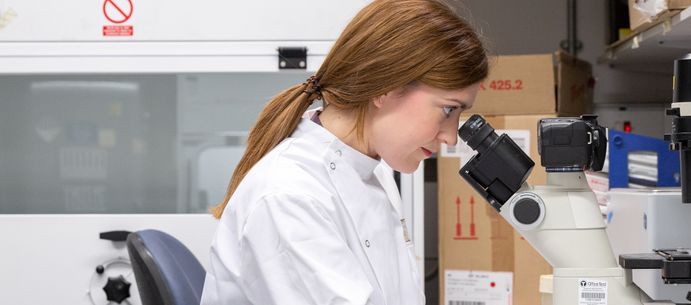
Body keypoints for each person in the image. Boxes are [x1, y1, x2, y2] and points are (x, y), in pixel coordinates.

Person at [200, 0, 488, 304]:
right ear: (385, 88)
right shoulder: (289, 197)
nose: (451, 137)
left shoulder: (374, 171)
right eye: (447, 109)